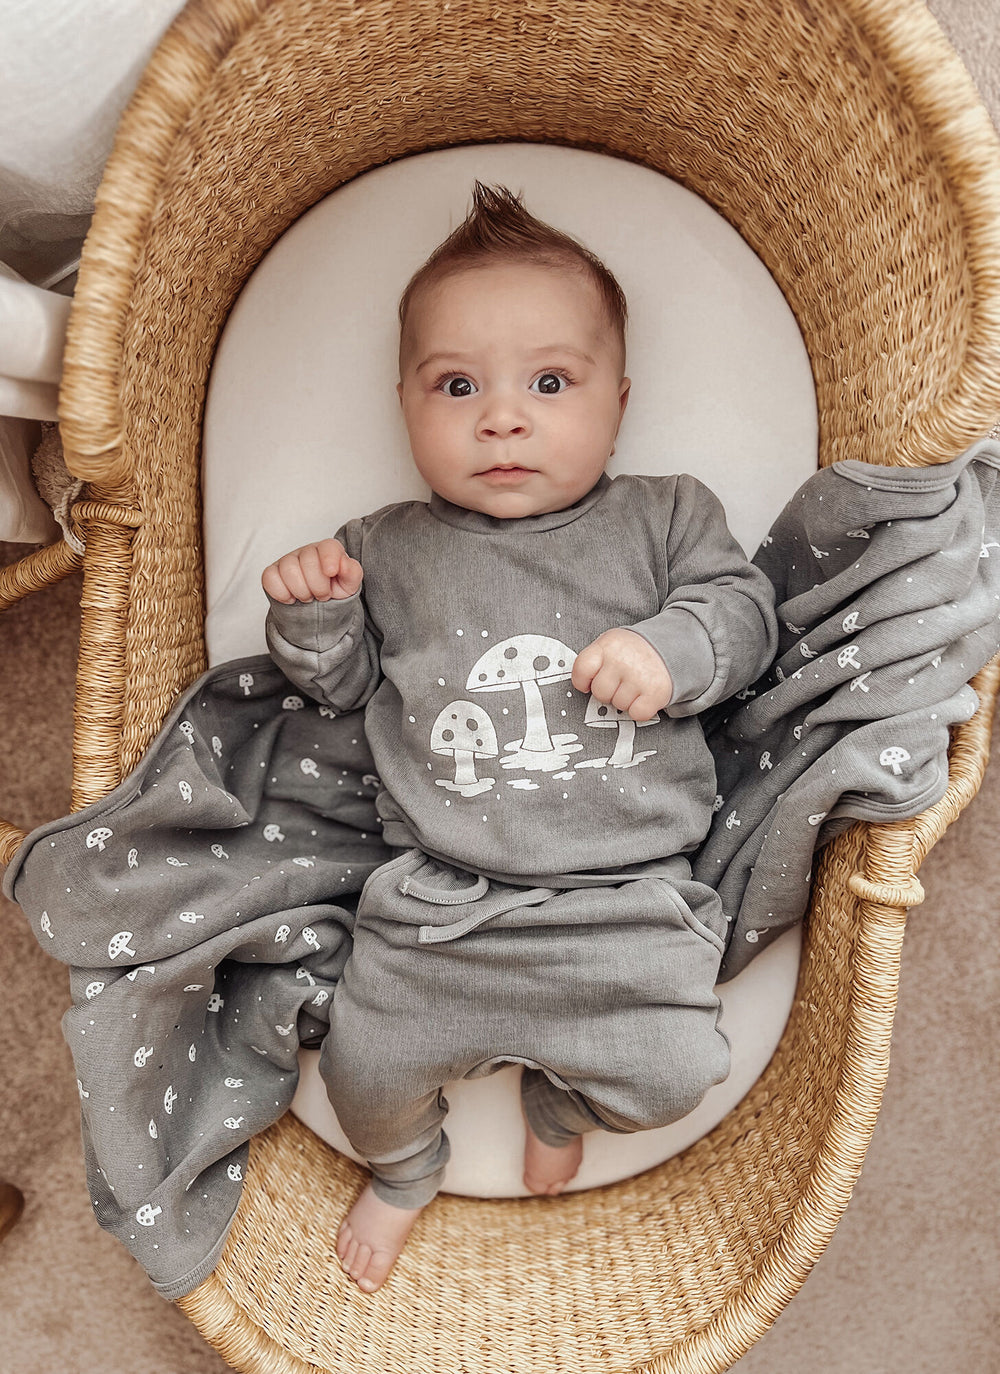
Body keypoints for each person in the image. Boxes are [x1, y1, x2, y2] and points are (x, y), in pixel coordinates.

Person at [262, 183, 777, 1293]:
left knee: (677, 1070)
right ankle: (407, 1170)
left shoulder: (664, 517)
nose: (501, 417)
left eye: (549, 383)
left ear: (619, 401)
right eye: (457, 385)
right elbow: (340, 691)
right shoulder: (383, 548)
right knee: (361, 1074)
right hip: (438, 906)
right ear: (402, 400)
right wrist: (310, 619)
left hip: (623, 904)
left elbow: (745, 618)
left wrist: (670, 650)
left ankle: (560, 1094)